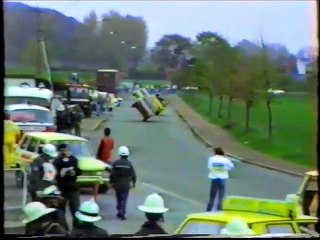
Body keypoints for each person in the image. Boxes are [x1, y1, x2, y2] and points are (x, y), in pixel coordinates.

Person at [53, 143, 82, 227]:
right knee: (61, 211)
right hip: (62, 189)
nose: (64, 152)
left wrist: (75, 172)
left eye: (65, 150)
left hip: (73, 189)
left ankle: (77, 228)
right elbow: (54, 175)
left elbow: (79, 171)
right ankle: (63, 228)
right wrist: (60, 174)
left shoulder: (74, 160)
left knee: (75, 210)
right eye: (62, 151)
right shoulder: (57, 161)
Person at [110, 146, 137, 220]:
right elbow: (133, 175)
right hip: (126, 184)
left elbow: (112, 174)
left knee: (118, 198)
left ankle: (119, 209)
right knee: (124, 199)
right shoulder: (129, 164)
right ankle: (122, 212)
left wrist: (111, 182)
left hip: (117, 184)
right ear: (127, 155)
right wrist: (134, 183)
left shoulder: (116, 163)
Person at [206, 147, 234, 212]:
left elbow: (209, 167)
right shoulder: (225, 160)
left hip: (214, 179)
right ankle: (219, 210)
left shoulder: (211, 159)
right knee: (221, 197)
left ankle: (209, 210)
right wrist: (225, 169)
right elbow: (232, 167)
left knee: (212, 196)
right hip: (223, 179)